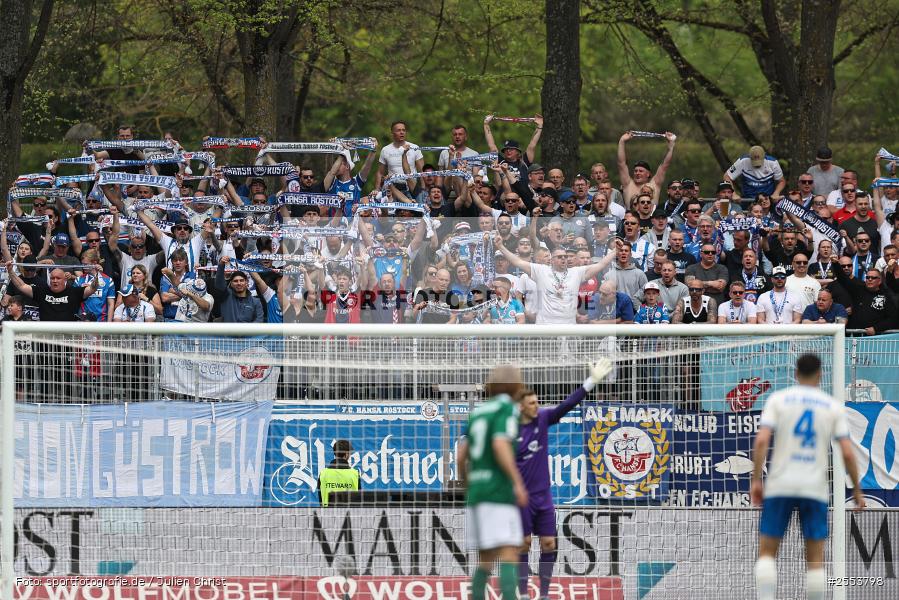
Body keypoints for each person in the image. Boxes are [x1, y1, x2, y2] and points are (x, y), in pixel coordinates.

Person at [751, 353, 865, 600]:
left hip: (780, 484)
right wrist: (856, 489)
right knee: (814, 560)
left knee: (768, 552)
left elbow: (761, 441)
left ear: (795, 374)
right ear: (820, 375)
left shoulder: (779, 399)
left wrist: (756, 480)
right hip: (814, 487)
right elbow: (847, 452)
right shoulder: (832, 406)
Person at [516, 360, 613, 600]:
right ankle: (522, 593)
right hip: (520, 499)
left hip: (543, 497)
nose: (537, 406)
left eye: (537, 402)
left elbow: (567, 405)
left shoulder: (543, 419)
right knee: (523, 543)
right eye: (531, 403)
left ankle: (545, 595)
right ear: (520, 407)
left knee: (549, 544)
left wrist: (591, 382)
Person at [457, 364, 528, 600]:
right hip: (498, 491)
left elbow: (461, 455)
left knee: (485, 560)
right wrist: (517, 482)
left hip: (476, 493)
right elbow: (500, 444)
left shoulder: (479, 411)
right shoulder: (508, 408)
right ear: (517, 386)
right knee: (509, 552)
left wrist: (467, 483)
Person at [495, 237, 617, 324]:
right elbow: (518, 261)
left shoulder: (576, 272)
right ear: (552, 259)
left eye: (565, 256)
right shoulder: (541, 271)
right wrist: (501, 247)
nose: (563, 259)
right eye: (559, 257)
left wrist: (615, 251)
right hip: (545, 326)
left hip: (568, 326)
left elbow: (601, 264)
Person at [5, 262, 100, 321]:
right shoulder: (41, 291)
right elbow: (22, 285)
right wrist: (10, 271)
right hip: (46, 338)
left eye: (58, 278)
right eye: (52, 278)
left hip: (66, 339)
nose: (54, 280)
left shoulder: (74, 291)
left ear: (65, 280)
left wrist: (97, 274)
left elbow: (92, 288)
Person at [616, 130, 677, 205]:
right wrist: (622, 141)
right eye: (635, 171)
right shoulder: (628, 185)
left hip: (652, 216)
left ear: (648, 174)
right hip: (630, 216)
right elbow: (621, 164)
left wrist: (671, 146)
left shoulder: (654, 185)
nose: (637, 173)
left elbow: (664, 165)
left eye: (641, 171)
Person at [213, 257, 264, 323]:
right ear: (231, 284)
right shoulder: (226, 296)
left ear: (247, 282)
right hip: (229, 332)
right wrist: (221, 265)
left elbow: (259, 320)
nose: (239, 283)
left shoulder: (256, 302)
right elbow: (219, 283)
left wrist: (245, 331)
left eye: (241, 280)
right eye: (235, 281)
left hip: (248, 332)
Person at [317, 439, 361, 507]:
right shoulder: (354, 474)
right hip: (350, 515)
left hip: (327, 515)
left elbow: (321, 499)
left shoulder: (323, 473)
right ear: (346, 454)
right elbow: (359, 499)